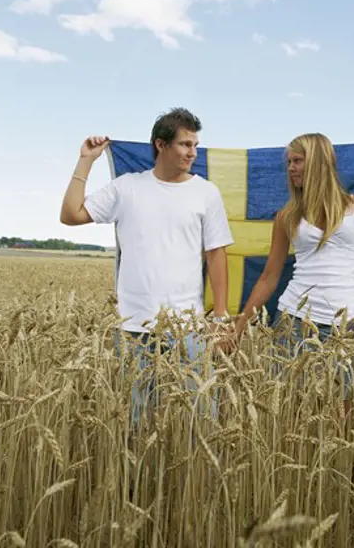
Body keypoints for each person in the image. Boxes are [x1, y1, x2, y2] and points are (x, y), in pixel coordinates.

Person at [228, 133, 354, 409]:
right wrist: (238, 328)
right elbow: (269, 277)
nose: (290, 168)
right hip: (293, 322)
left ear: (318, 163)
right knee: (289, 410)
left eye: (298, 161)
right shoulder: (287, 216)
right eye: (289, 162)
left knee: (342, 411)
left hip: (343, 326)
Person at [60, 107, 233, 420]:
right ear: (161, 145)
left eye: (195, 145)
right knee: (137, 419)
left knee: (199, 416)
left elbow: (216, 254)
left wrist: (219, 317)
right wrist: (86, 160)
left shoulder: (206, 192)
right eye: (184, 144)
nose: (192, 152)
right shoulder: (126, 188)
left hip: (188, 328)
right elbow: (71, 215)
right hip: (134, 329)